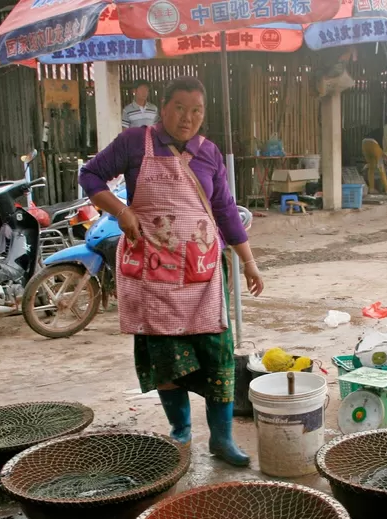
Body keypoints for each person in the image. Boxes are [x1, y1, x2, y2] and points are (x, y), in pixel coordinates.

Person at [79, 76, 264, 467]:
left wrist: (249, 262)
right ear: (163, 108)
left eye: (197, 110)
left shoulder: (209, 152)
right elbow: (90, 176)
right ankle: (180, 433)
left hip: (203, 275)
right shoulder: (134, 142)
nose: (187, 118)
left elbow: (225, 210)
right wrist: (121, 211)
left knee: (218, 353)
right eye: (180, 108)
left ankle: (222, 440)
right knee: (166, 356)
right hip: (154, 276)